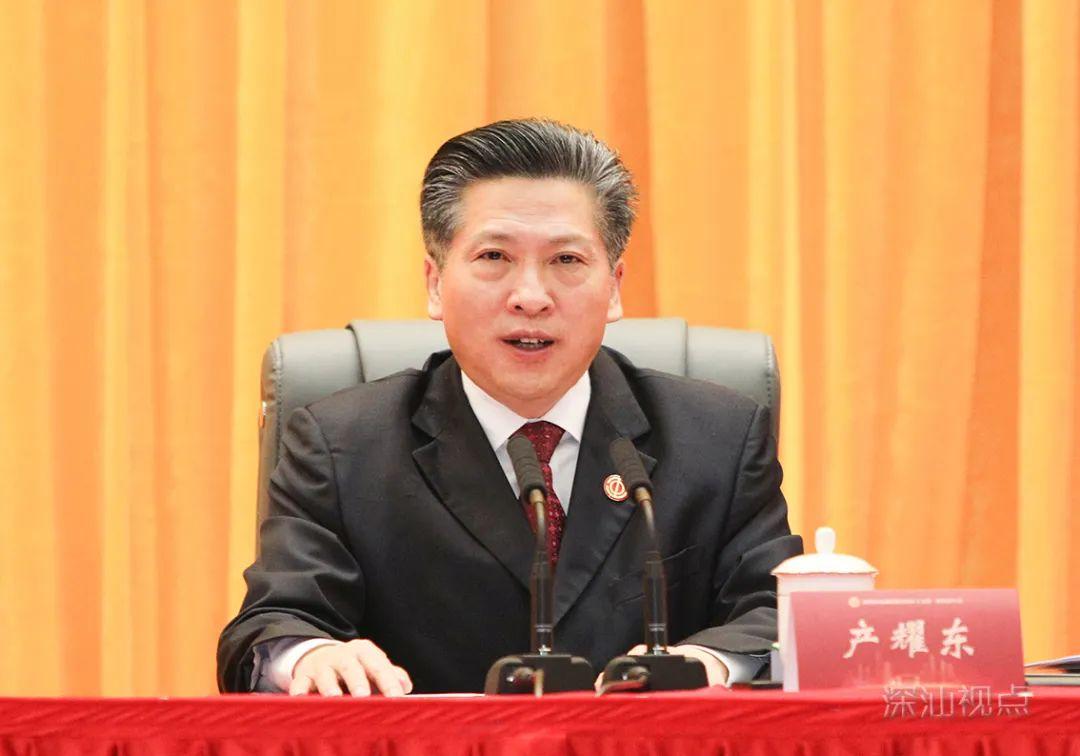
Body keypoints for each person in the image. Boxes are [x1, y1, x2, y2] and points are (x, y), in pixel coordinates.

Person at [217, 119, 803, 696]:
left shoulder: (717, 438)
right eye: (494, 256)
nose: (530, 297)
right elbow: (273, 623)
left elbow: (777, 613)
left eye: (566, 261)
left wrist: (707, 663)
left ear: (615, 287)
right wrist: (310, 654)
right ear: (435, 284)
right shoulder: (340, 445)